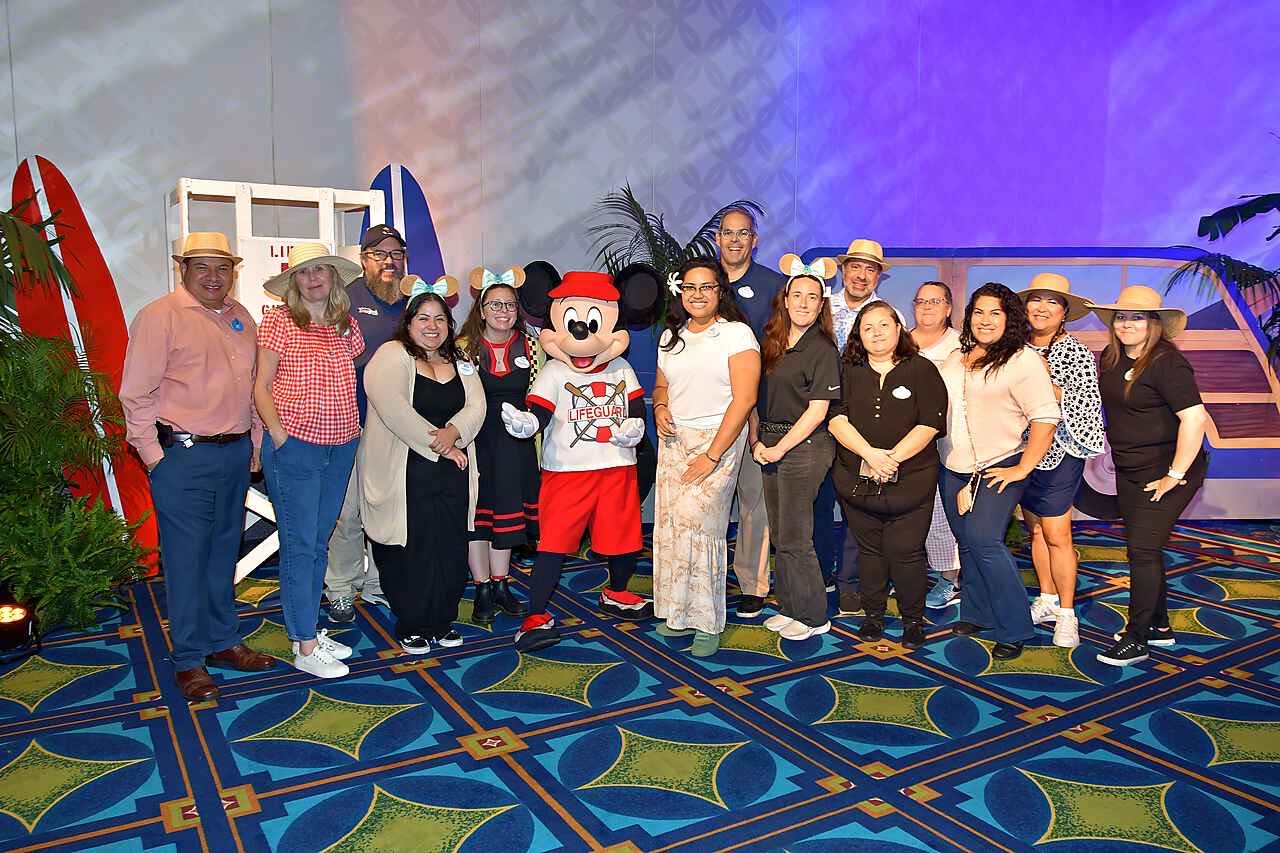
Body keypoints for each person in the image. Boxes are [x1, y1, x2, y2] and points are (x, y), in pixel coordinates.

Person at [121, 232, 274, 703]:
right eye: (202, 267)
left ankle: (223, 639)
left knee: (222, 553)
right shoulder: (160, 316)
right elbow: (135, 393)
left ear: (234, 272)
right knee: (186, 560)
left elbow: (251, 387)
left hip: (232, 454)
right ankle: (189, 659)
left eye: (222, 268)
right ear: (182, 268)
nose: (213, 277)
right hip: (181, 457)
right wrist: (155, 458)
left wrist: (253, 443)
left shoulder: (241, 317)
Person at [255, 243, 365, 679]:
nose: (314, 277)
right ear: (293, 282)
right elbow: (260, 385)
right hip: (296, 446)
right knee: (300, 547)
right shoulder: (279, 321)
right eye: (304, 272)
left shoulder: (346, 325)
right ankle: (303, 644)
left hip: (341, 445)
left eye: (321, 269)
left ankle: (310, 630)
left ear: (333, 277)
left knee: (317, 543)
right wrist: (281, 438)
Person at [361, 277, 487, 652]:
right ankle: (411, 621)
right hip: (406, 473)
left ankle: (442, 619)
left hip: (453, 473)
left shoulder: (460, 360)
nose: (432, 327)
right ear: (409, 322)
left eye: (440, 320)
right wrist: (443, 445)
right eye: (423, 319)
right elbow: (394, 409)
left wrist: (455, 433)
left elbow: (477, 406)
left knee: (449, 546)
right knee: (409, 549)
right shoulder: (391, 355)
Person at [1088, 286, 1209, 667]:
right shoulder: (1111, 358)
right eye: (1121, 317)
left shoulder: (1166, 363)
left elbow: (1194, 418)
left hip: (1166, 470)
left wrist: (1175, 474)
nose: (1126, 323)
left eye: (1137, 317)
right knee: (1143, 548)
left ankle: (1136, 637)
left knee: (1142, 551)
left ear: (1154, 323)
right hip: (1130, 469)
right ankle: (1158, 627)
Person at [938, 283, 1059, 660]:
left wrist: (1023, 467)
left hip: (1000, 465)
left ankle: (1015, 624)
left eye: (995, 312)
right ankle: (977, 612)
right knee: (968, 542)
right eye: (978, 312)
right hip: (953, 466)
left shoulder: (1021, 360)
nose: (985, 320)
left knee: (985, 540)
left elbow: (1045, 416)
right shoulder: (956, 358)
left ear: (1009, 318)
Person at [651, 259, 760, 656]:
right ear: (681, 292)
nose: (698, 294)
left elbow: (745, 398)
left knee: (703, 527)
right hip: (674, 441)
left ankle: (708, 622)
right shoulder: (671, 336)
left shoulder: (736, 334)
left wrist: (713, 456)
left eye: (707, 287)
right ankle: (677, 613)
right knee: (673, 527)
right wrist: (660, 408)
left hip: (718, 441)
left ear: (720, 292)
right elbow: (661, 385)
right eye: (690, 287)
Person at [829, 301, 947, 649]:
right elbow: (836, 419)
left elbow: (930, 423)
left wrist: (891, 459)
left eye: (884, 324)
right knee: (869, 552)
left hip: (912, 480)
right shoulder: (846, 370)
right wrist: (869, 456)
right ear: (857, 335)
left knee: (905, 551)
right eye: (868, 327)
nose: (876, 332)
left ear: (899, 329)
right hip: (857, 479)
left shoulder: (922, 369)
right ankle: (873, 616)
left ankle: (913, 619)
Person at [753, 255, 842, 641]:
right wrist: (759, 441)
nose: (804, 303)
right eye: (797, 295)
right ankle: (790, 606)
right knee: (781, 532)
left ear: (821, 304)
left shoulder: (822, 348)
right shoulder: (770, 342)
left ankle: (812, 614)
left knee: (796, 534)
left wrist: (778, 448)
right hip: (770, 441)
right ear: (785, 300)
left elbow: (818, 410)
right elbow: (756, 397)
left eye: (812, 297)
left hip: (804, 445)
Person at [324, 224, 408, 622]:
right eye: (379, 254)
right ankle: (340, 585)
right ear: (363, 260)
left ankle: (378, 583)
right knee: (349, 511)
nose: (389, 261)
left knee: (390, 510)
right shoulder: (344, 299)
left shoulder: (414, 299)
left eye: (395, 253)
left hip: (400, 427)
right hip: (352, 423)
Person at [1017, 273, 1104, 648]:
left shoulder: (1076, 352)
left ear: (1065, 312)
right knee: (1034, 530)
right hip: (1020, 454)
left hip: (1061, 452)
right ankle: (1047, 599)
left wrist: (1049, 393)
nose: (1042, 307)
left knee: (1057, 533)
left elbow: (1087, 407)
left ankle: (1067, 615)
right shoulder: (1016, 348)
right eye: (1036, 299)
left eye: (1052, 302)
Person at [823, 239, 905, 612]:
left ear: (878, 276)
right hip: (819, 419)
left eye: (870, 269)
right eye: (855, 266)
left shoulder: (892, 317)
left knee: (864, 508)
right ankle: (822, 574)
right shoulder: (822, 307)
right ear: (843, 270)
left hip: (869, 426)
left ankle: (853, 582)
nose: (860, 275)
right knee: (820, 504)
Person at [716, 207, 786, 618]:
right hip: (703, 414)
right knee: (708, 500)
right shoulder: (699, 283)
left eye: (744, 233)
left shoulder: (773, 286)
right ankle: (703, 574)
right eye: (728, 233)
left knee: (753, 501)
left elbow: (780, 349)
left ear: (755, 239)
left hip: (754, 414)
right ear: (718, 239)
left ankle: (752, 583)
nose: (735, 240)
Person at [457, 267, 537, 624]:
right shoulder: (462, 347)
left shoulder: (532, 345)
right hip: (477, 442)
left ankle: (502, 584)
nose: (503, 311)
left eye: (510, 304)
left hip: (517, 445)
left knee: (507, 517)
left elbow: (540, 393)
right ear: (481, 309)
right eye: (495, 304)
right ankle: (482, 588)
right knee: (478, 517)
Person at [910, 282, 965, 610]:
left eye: (935, 302)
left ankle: (949, 579)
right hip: (900, 442)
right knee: (906, 512)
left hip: (945, 441)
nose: (927, 307)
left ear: (948, 307)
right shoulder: (899, 339)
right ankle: (910, 572)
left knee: (940, 514)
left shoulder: (962, 346)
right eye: (921, 301)